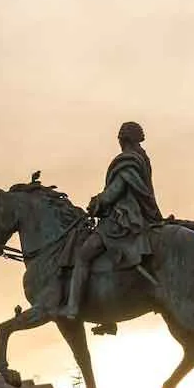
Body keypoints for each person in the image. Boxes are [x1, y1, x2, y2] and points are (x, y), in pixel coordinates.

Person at [61, 121, 163, 329]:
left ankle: (72, 307)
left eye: (119, 137)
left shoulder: (127, 160)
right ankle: (107, 317)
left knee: (84, 254)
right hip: (135, 215)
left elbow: (115, 190)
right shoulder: (142, 158)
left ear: (123, 139)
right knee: (105, 261)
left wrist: (97, 202)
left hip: (123, 219)